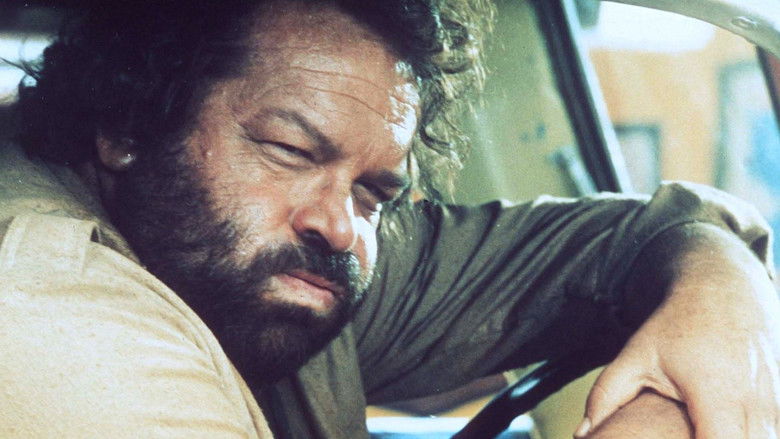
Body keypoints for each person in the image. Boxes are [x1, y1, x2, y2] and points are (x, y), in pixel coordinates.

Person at [0, 1, 778, 438]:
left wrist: (714, 282)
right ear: (127, 125)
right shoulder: (54, 312)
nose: (342, 225)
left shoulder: (262, 265)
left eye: (374, 191)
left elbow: (624, 241)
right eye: (290, 150)